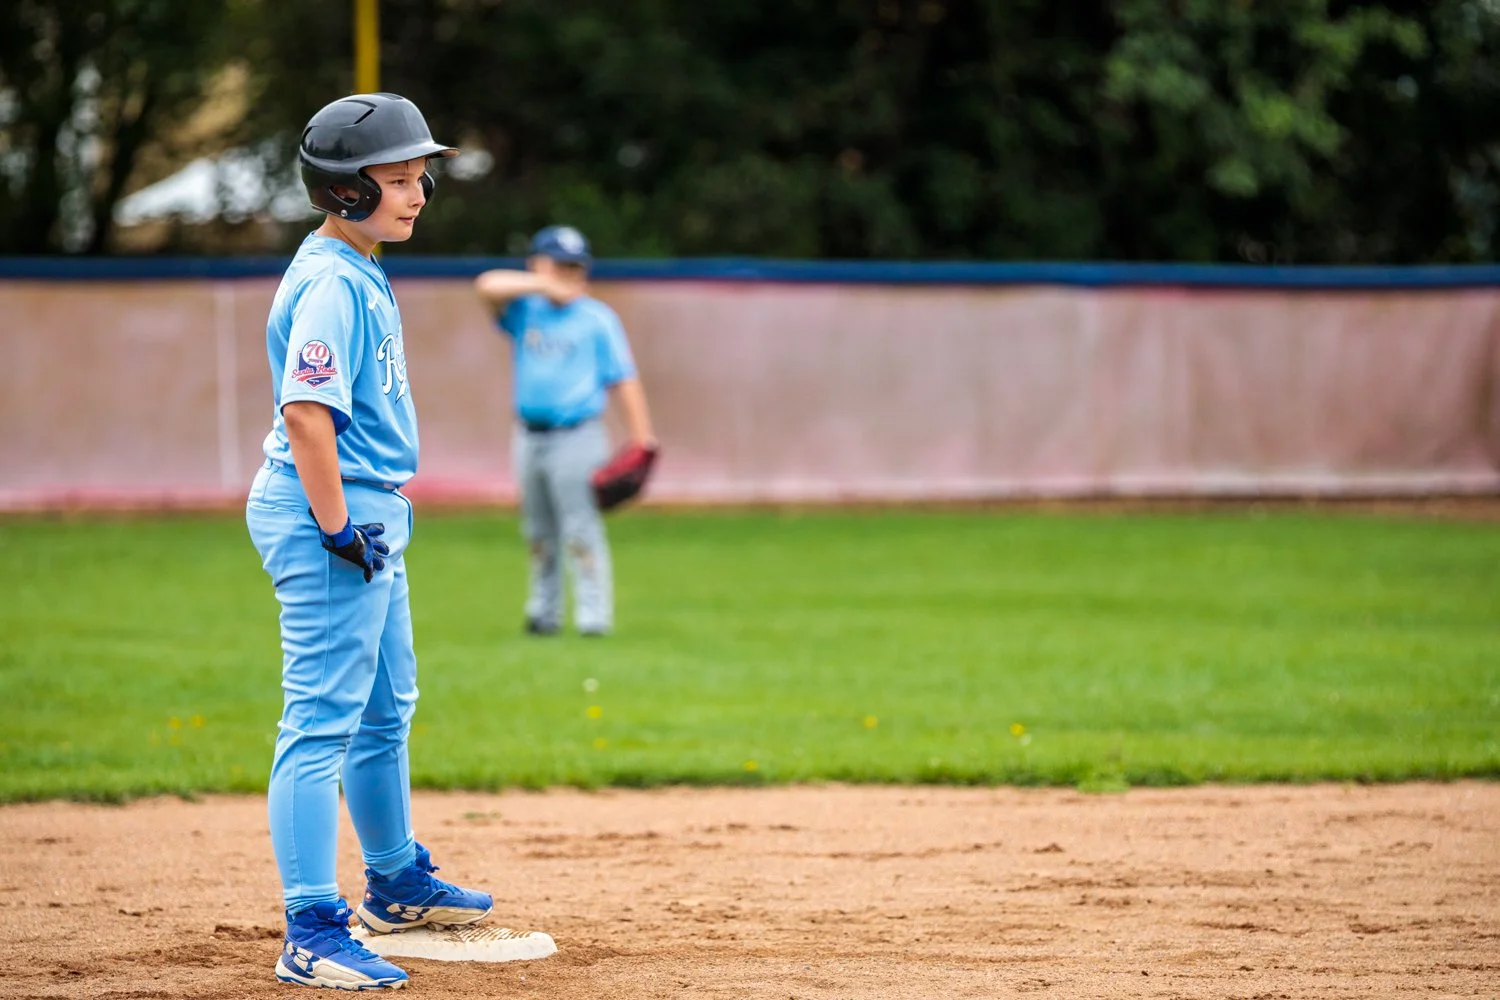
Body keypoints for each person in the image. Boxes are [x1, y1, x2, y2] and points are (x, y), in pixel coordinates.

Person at [245, 92, 492, 991]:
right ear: (345, 189)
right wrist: (336, 528)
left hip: (365, 512)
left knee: (385, 709)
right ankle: (311, 928)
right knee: (320, 722)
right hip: (333, 514)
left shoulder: (356, 265)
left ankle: (394, 883)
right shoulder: (335, 283)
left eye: (420, 175)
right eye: (396, 178)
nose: (418, 191)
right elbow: (306, 416)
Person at [473, 227, 656, 637]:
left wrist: (643, 439)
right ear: (537, 265)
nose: (568, 274)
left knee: (580, 527)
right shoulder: (526, 310)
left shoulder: (597, 318)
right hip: (529, 435)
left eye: (575, 266)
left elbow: (624, 379)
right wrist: (543, 284)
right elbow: (486, 286)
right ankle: (544, 613)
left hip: (578, 435)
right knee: (538, 531)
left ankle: (594, 618)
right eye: (559, 265)